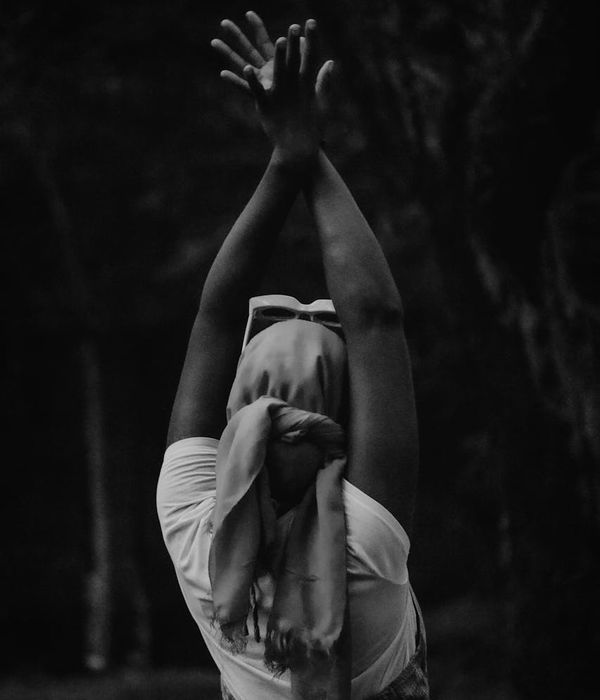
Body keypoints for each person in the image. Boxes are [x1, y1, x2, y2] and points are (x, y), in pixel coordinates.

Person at [156, 11, 428, 700]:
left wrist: (286, 156)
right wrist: (306, 150)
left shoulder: (193, 527)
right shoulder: (367, 542)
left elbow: (215, 317)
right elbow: (376, 317)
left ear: (234, 407)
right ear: (347, 415)